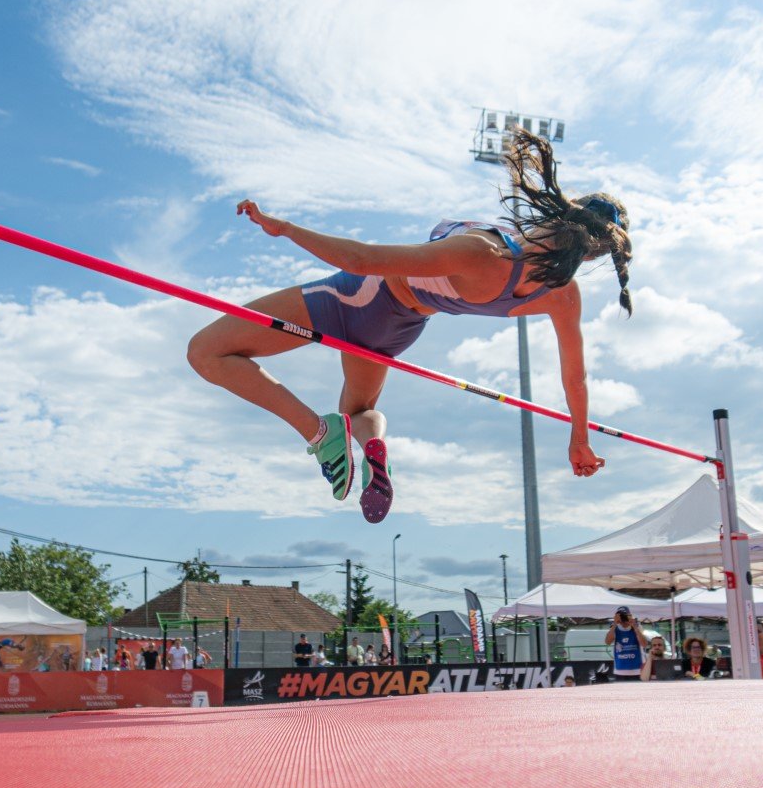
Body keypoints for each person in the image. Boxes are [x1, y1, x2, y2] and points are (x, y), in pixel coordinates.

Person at [187, 129, 633, 524]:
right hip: (400, 328)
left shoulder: (484, 251)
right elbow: (576, 377)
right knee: (358, 413)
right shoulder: (563, 294)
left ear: (561, 213)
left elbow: (361, 260)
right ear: (592, 256)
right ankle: (371, 446)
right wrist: (579, 441)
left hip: (359, 297)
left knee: (207, 352)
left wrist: (283, 227)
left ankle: (318, 433)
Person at [605, 606, 649, 682]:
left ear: (630, 615)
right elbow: (608, 642)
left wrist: (635, 627)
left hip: (637, 669)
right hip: (620, 670)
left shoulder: (637, 626)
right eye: (621, 616)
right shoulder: (615, 628)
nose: (623, 618)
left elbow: (644, 644)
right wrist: (615, 623)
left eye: (625, 615)